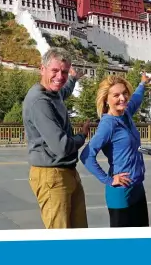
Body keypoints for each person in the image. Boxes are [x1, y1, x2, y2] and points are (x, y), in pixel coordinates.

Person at [23, 49, 91, 229]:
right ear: (42, 69)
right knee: (60, 235)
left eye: (65, 72)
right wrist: (82, 136)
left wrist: (74, 79)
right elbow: (61, 146)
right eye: (55, 71)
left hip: (66, 171)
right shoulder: (40, 102)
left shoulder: (54, 93)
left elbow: (64, 90)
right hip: (51, 175)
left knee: (78, 231)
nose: (60, 76)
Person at [81, 73, 150, 227]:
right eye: (116, 95)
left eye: (125, 93)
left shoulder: (126, 114)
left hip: (137, 187)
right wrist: (109, 179)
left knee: (142, 238)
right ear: (106, 99)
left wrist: (142, 83)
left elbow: (136, 99)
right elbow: (87, 156)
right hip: (121, 192)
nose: (122, 98)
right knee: (123, 244)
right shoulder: (108, 124)